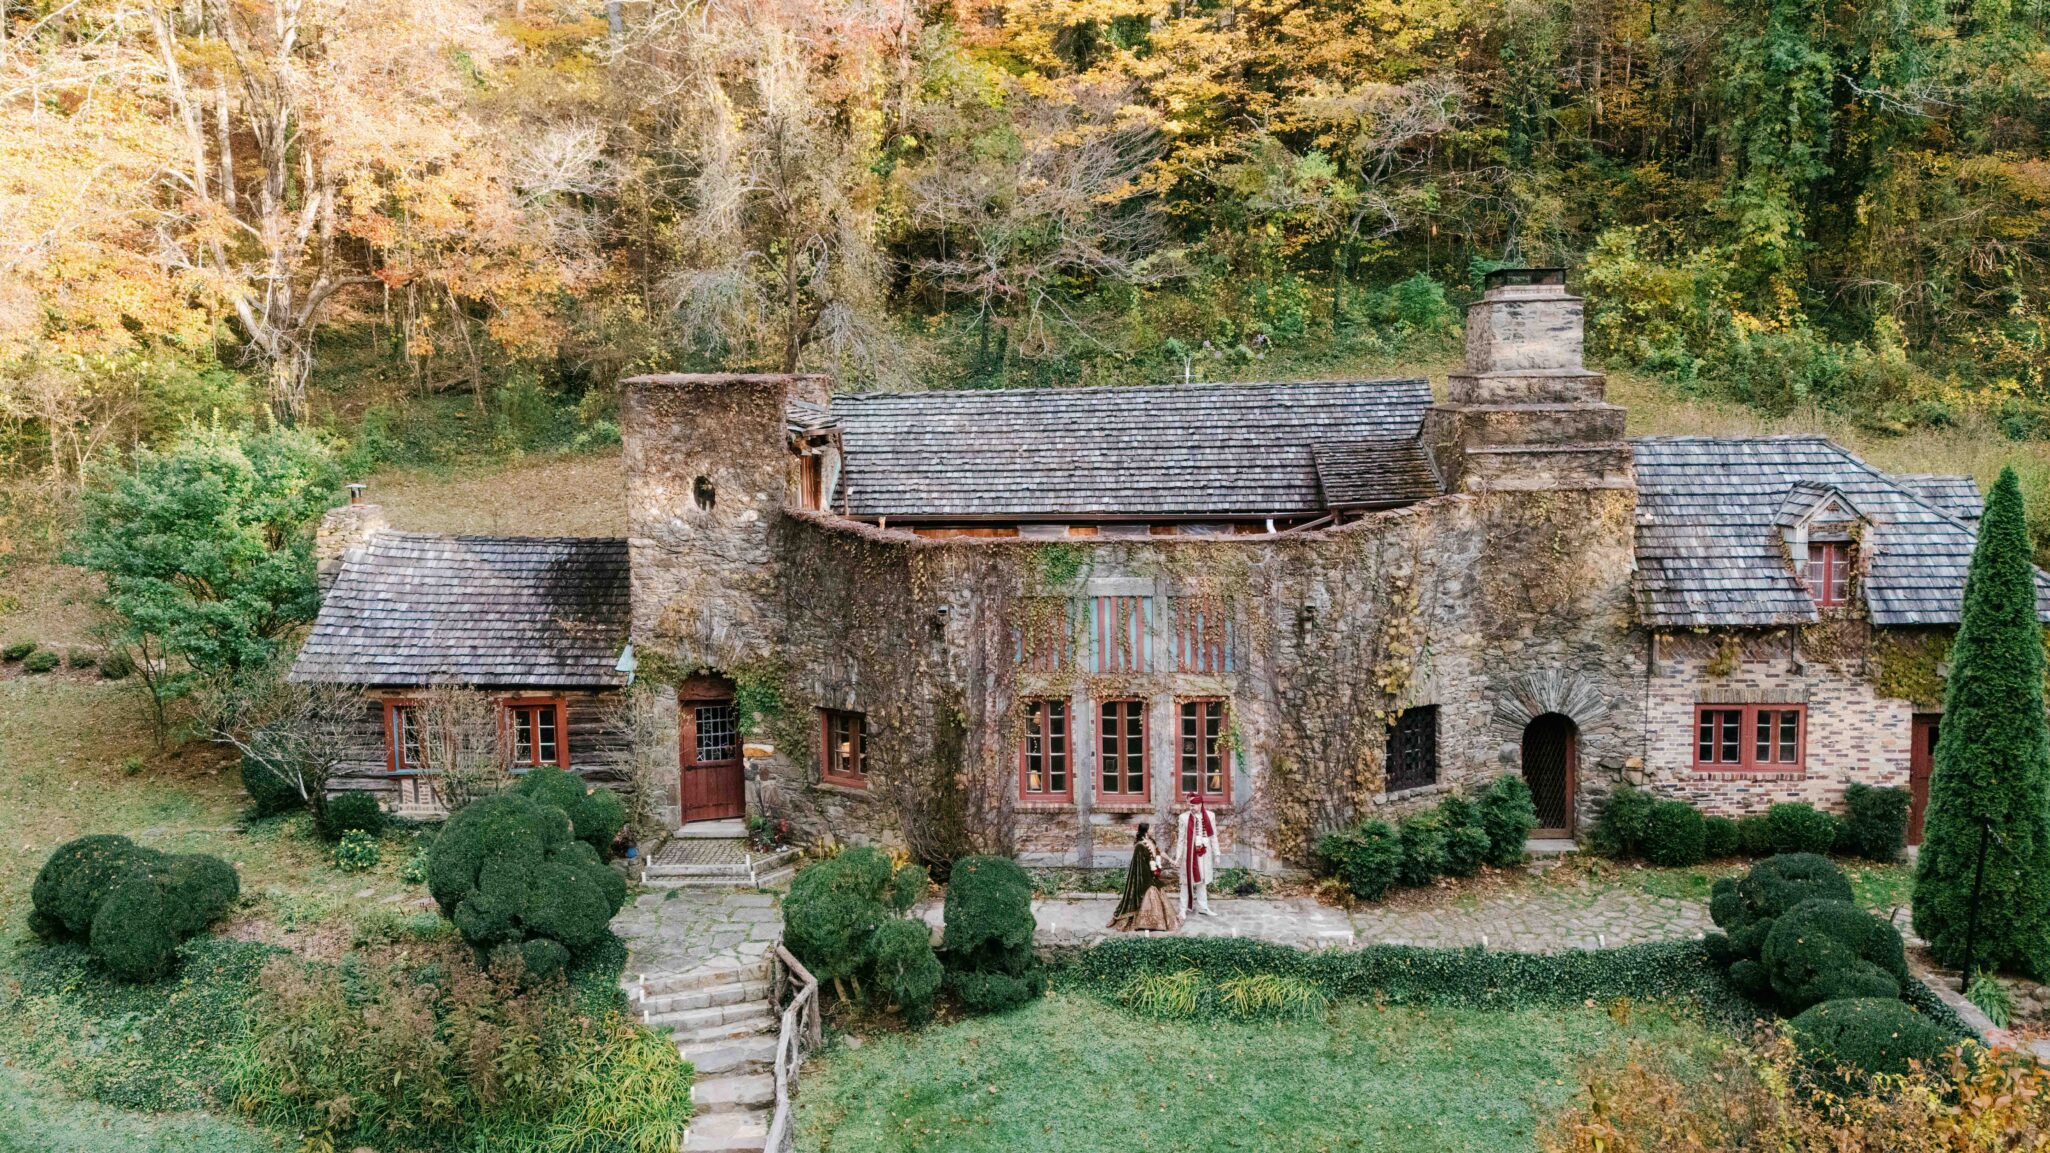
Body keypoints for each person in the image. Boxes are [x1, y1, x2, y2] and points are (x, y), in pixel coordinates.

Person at [1109, 822, 1179, 932]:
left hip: (1153, 874)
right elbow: (1138, 866)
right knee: (1151, 893)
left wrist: (1171, 861)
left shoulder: (1151, 842)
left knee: (1157, 894)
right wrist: (1150, 877)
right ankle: (1146, 923)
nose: (1153, 830)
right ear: (1146, 831)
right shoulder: (1140, 846)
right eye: (1151, 828)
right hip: (1146, 877)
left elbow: (1160, 853)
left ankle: (1157, 922)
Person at [1176, 792, 1218, 916]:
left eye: (1193, 806)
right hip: (1188, 855)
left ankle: (1203, 907)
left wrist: (1217, 854)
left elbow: (1213, 836)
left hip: (1204, 855)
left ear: (1200, 804)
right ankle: (1182, 909)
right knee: (1185, 881)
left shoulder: (1210, 816)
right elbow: (1181, 839)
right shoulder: (1184, 817)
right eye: (1190, 806)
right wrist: (1178, 857)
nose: (1191, 808)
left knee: (1202, 881)